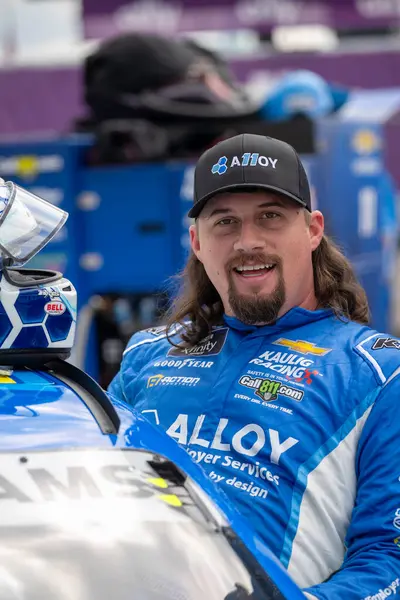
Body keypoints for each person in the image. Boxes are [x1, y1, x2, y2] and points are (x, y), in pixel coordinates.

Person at [108, 133, 400, 600]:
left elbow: (390, 560)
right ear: (197, 242)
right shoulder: (148, 353)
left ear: (312, 230)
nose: (248, 241)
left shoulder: (381, 372)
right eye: (225, 222)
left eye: (270, 217)